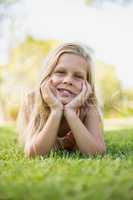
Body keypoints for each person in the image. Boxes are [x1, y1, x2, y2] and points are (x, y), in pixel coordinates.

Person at [16, 42, 106, 158]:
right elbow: (34, 154)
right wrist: (56, 110)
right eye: (60, 72)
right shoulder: (32, 100)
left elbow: (96, 154)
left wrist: (71, 112)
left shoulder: (89, 105)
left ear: (87, 85)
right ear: (47, 75)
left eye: (78, 76)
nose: (68, 80)